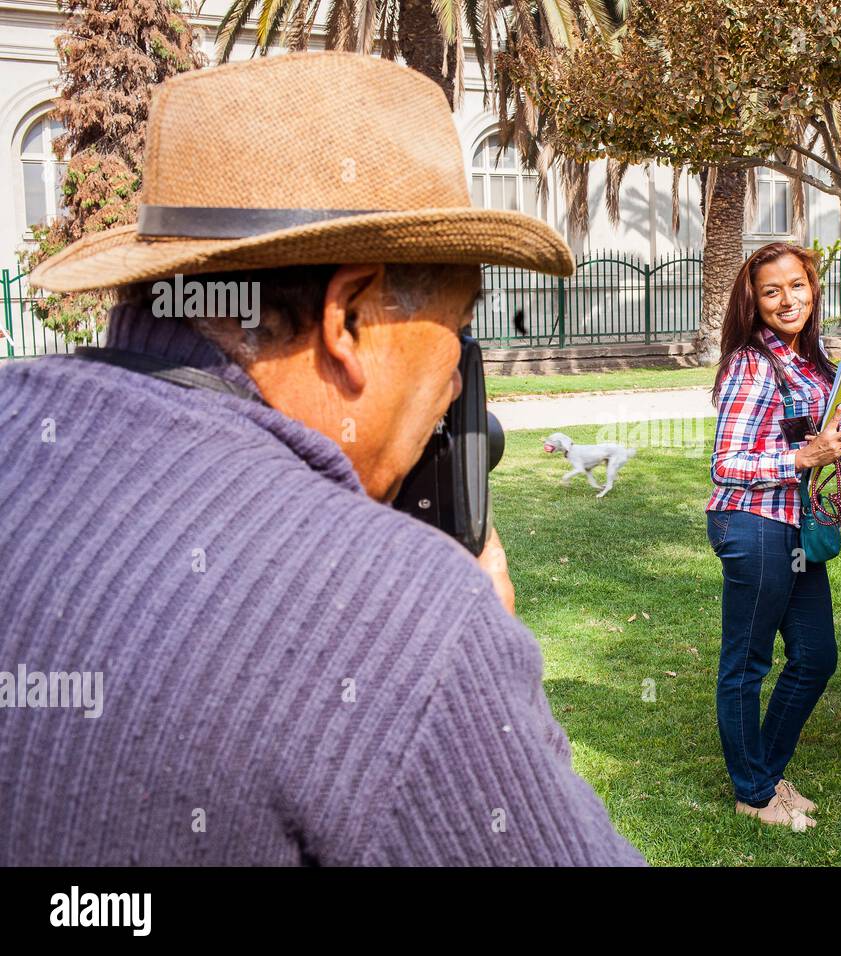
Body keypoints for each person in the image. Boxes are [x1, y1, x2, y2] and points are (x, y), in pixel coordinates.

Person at [0, 52, 644, 866]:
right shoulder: (408, 623)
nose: (456, 382)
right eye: (459, 326)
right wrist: (470, 657)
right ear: (348, 318)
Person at [706, 242, 841, 830]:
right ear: (755, 301)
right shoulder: (751, 361)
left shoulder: (809, 359)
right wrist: (802, 456)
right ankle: (754, 792)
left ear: (812, 288)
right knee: (747, 664)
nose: (787, 299)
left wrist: (836, 436)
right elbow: (726, 463)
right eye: (772, 291)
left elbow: (801, 435)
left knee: (816, 657)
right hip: (751, 524)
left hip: (794, 525)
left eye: (797, 285)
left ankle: (763, 775)